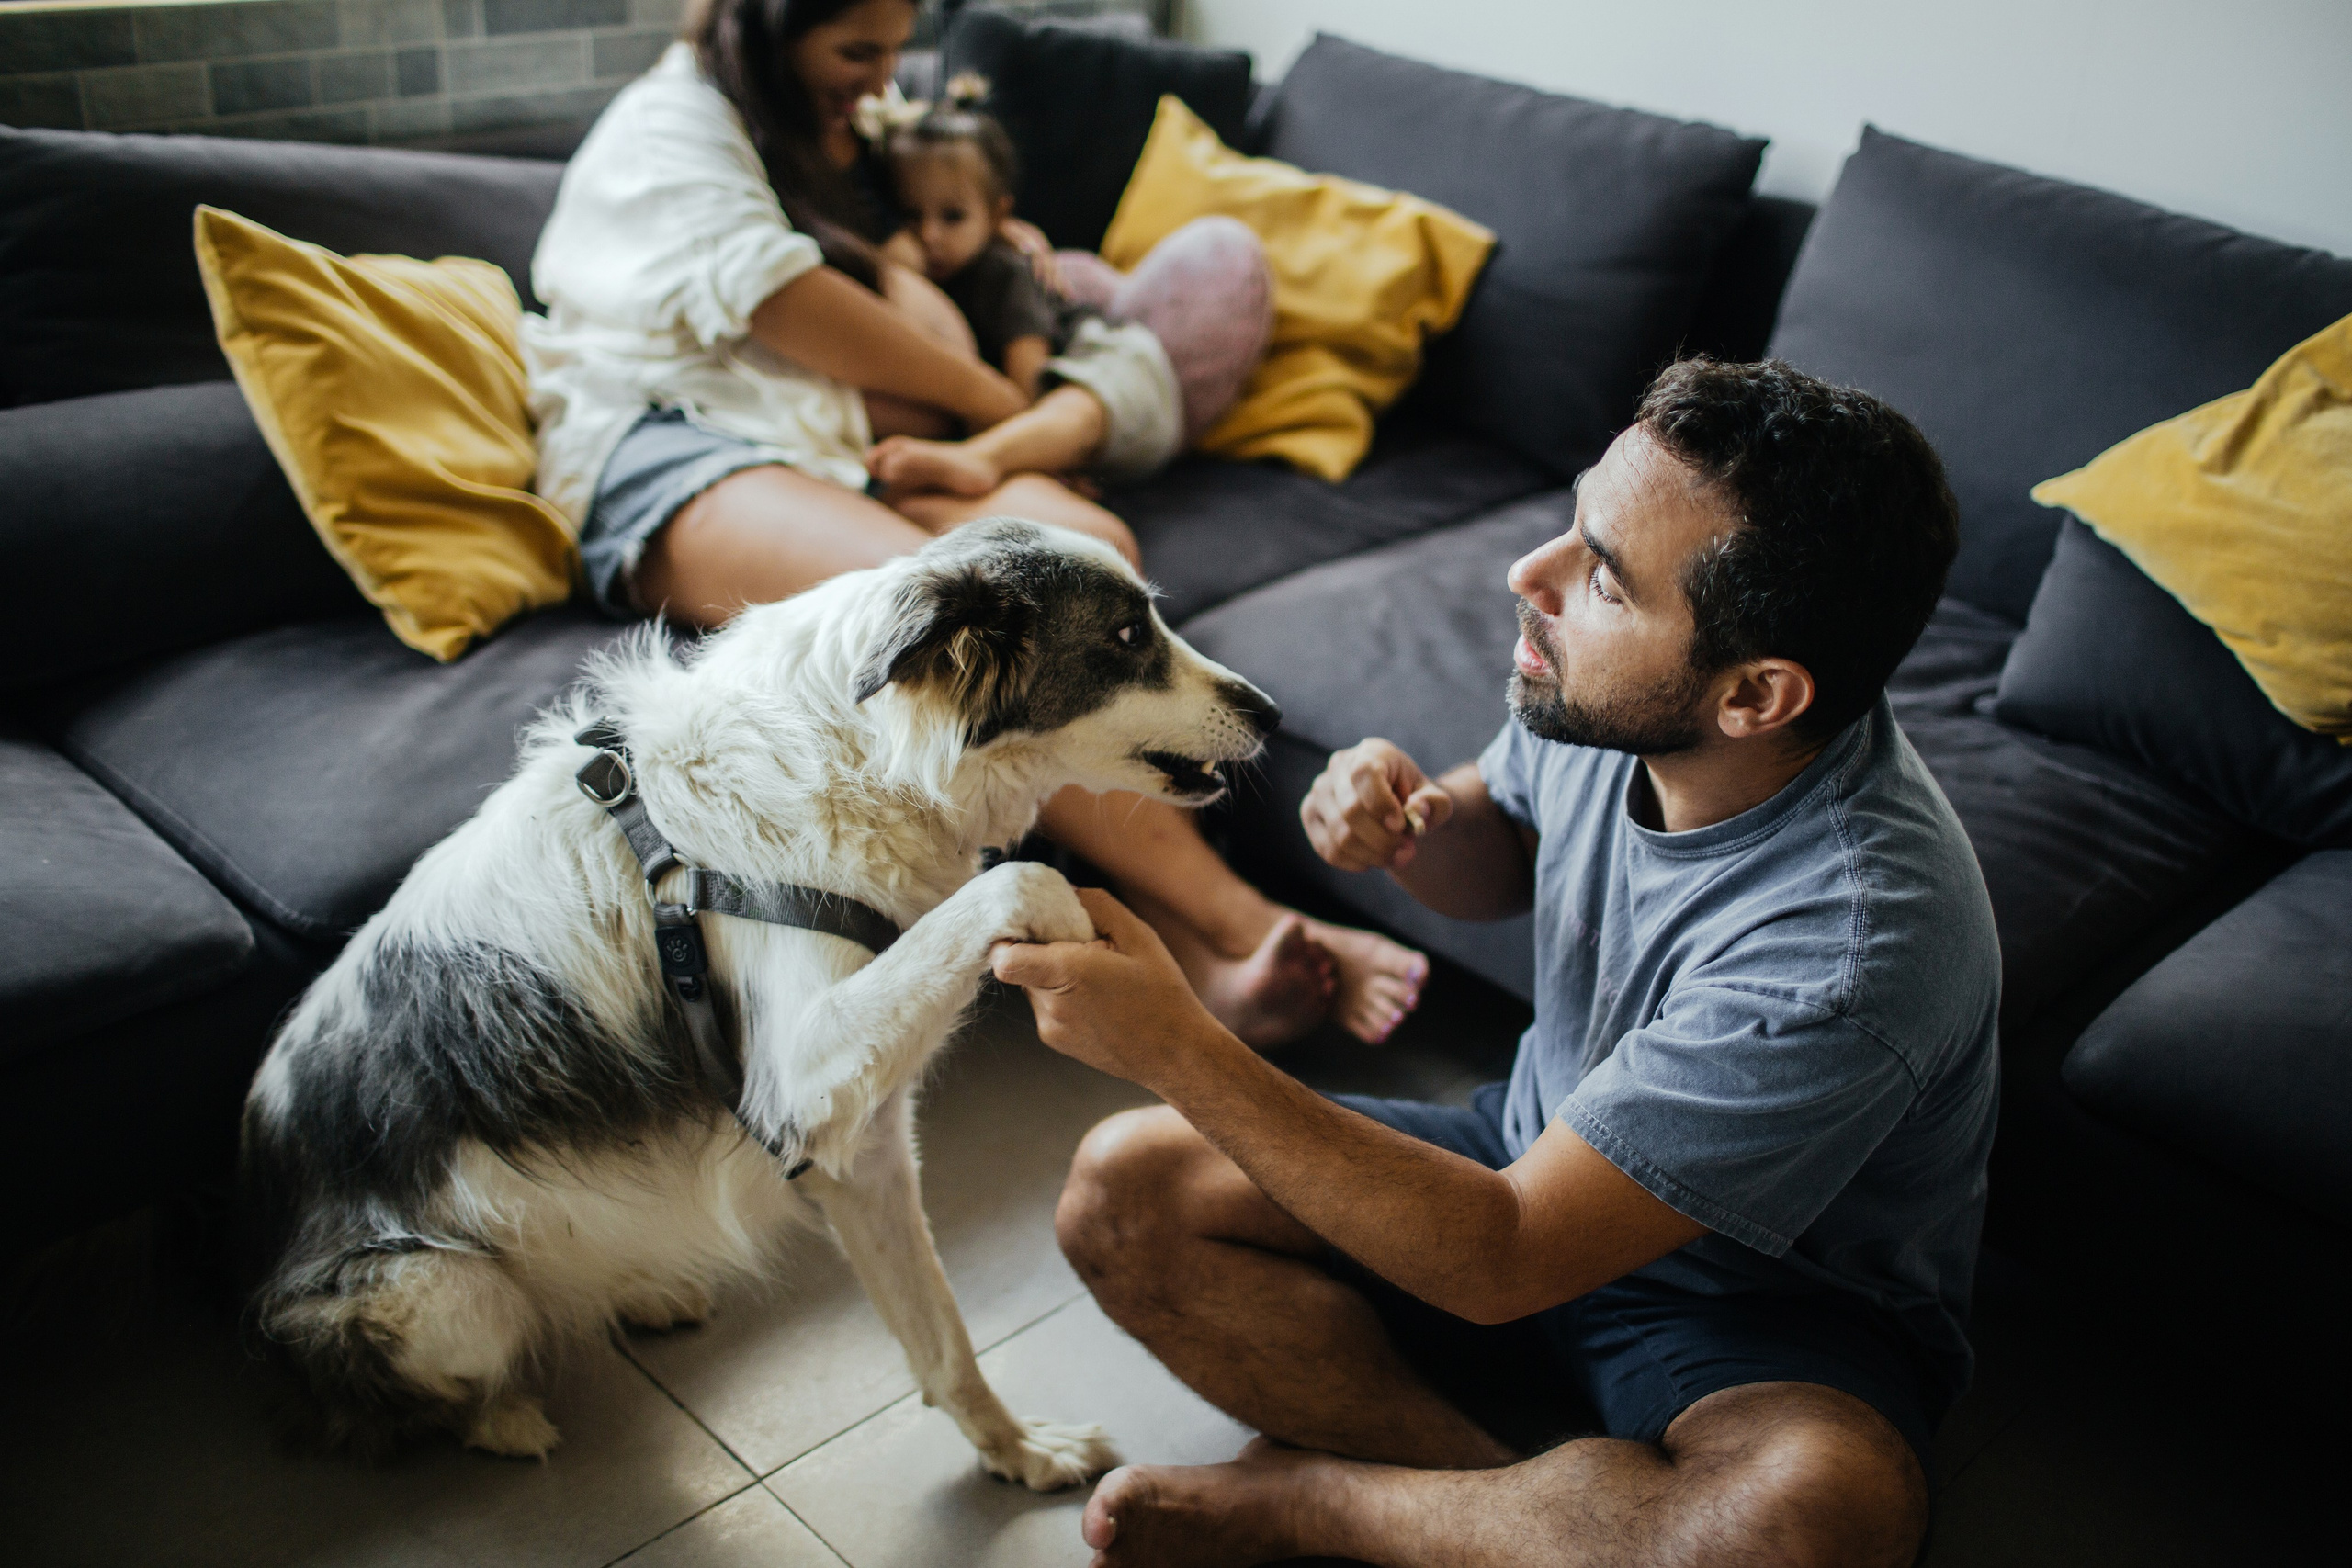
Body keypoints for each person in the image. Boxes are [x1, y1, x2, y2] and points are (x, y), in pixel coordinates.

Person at [994, 359, 2000, 1568]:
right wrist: (1412, 829)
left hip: (1756, 1304)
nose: (1531, 573)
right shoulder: (1604, 687)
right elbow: (1503, 850)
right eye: (1575, 521)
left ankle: (1320, 1501)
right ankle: (1494, 1507)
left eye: (1603, 576)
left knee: (1808, 1521)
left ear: (1755, 695)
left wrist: (1177, 1046)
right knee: (1124, 1189)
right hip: (1531, 1150)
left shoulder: (1850, 947)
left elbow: (1505, 1255)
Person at [521, 0, 1426, 1047]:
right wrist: (995, 403)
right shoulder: (670, 121)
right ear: (765, 27)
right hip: (671, 447)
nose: (882, 77)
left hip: (832, 444)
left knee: (1087, 554)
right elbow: (783, 300)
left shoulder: (832, 129)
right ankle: (1243, 922)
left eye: (894, 48)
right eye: (857, 50)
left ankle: (1186, 955)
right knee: (980, 629)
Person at [864, 80, 1191, 498]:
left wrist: (1034, 457)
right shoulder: (928, 280)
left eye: (953, 216)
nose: (929, 235)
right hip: (1070, 428)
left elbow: (1027, 389)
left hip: (1118, 364)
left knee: (1075, 407)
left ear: (998, 215)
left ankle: (985, 460)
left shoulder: (1005, 275)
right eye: (911, 215)